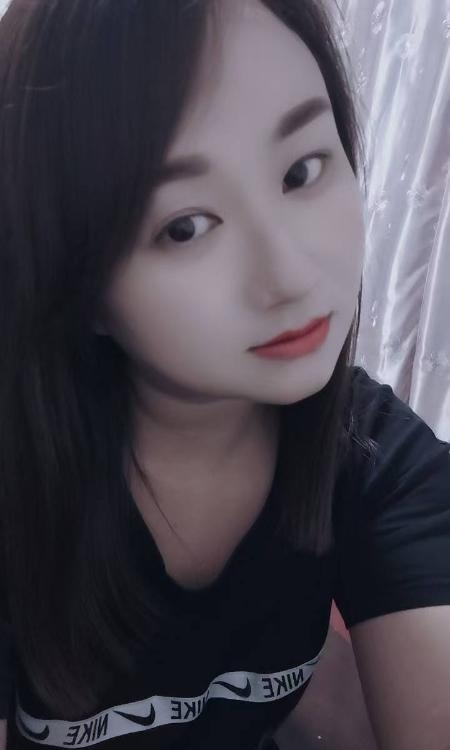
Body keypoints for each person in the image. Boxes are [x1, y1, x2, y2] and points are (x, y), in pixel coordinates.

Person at [0, 0, 449, 748]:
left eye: (301, 171)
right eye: (185, 227)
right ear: (72, 277)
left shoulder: (372, 458)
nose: (290, 273)